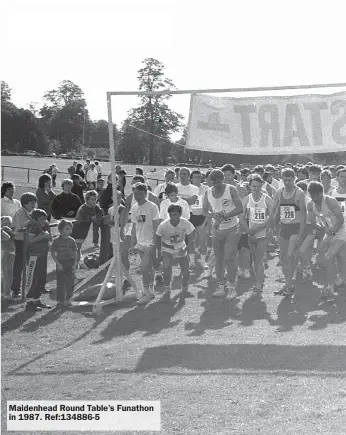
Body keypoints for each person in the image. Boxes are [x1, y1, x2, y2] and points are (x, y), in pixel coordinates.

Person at [202, 169, 243, 299]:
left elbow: (240, 208)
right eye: (213, 181)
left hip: (232, 228)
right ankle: (221, 286)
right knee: (219, 258)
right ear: (210, 181)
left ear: (222, 179)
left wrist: (224, 216)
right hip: (217, 228)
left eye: (218, 181)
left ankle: (232, 287)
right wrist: (213, 215)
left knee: (229, 257)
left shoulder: (231, 189)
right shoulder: (207, 192)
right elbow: (204, 210)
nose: (216, 184)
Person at [269, 168, 306, 297]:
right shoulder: (279, 192)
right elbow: (275, 210)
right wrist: (272, 224)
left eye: (290, 180)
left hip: (296, 227)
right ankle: (288, 283)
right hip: (283, 227)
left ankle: (289, 285)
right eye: (285, 180)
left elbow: (303, 214)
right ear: (282, 179)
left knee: (290, 255)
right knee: (283, 257)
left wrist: (301, 232)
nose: (287, 182)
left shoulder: (299, 193)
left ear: (294, 179)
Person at [307, 181, 346, 297]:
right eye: (311, 195)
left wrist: (333, 230)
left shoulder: (330, 201)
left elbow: (341, 220)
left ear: (321, 193)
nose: (314, 198)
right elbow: (312, 221)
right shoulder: (311, 204)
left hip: (341, 231)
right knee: (321, 260)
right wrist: (317, 227)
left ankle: (330, 287)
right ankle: (339, 278)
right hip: (329, 233)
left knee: (329, 257)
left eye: (316, 195)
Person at [241, 174, 274, 293]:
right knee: (255, 260)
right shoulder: (246, 200)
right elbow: (240, 216)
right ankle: (260, 278)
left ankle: (258, 284)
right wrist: (248, 230)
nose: (256, 189)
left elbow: (272, 217)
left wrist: (260, 227)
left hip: (263, 233)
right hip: (251, 233)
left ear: (261, 186)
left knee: (259, 259)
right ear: (249, 186)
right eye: (253, 186)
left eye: (258, 186)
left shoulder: (267, 199)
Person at [156, 204, 195, 299]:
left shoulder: (186, 223)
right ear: (168, 214)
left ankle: (184, 288)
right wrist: (159, 253)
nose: (174, 217)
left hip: (181, 247)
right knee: (167, 268)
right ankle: (167, 288)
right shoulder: (163, 225)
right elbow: (157, 240)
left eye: (176, 214)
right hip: (167, 248)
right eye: (172, 214)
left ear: (180, 214)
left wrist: (185, 249)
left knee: (186, 271)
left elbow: (192, 239)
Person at [130, 183, 160, 305]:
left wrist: (155, 242)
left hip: (150, 242)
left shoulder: (152, 207)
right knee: (149, 268)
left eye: (140, 193)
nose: (137, 196)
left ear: (145, 193)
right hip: (140, 241)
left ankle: (145, 291)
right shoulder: (134, 208)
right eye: (135, 194)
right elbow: (134, 227)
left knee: (143, 268)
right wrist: (133, 244)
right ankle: (150, 290)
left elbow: (156, 225)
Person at [222, 164, 251, 279]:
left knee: (243, 247)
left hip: (240, 221)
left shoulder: (241, 189)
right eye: (224, 175)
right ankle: (238, 268)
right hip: (227, 223)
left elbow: (243, 207)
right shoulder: (221, 189)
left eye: (228, 174)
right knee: (230, 248)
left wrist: (242, 221)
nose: (226, 177)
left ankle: (247, 268)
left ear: (234, 175)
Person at [25, 209, 52, 311]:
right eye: (41, 219)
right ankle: (29, 302)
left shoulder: (46, 224)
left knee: (41, 278)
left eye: (45, 218)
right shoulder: (32, 226)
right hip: (33, 256)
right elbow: (31, 240)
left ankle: (37, 300)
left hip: (43, 254)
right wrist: (42, 236)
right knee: (33, 278)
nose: (43, 221)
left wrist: (46, 235)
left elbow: (50, 238)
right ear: (35, 219)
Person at [11, 192, 38, 298]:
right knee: (19, 265)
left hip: (31, 241)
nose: (34, 206)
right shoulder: (20, 213)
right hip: (21, 241)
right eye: (31, 203)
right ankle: (16, 290)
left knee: (33, 263)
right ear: (24, 204)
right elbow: (19, 227)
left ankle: (35, 287)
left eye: (35, 203)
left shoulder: (34, 212)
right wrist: (31, 224)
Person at [71, 190, 104, 265]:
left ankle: (76, 263)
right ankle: (75, 264)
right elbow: (81, 218)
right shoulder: (83, 208)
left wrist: (99, 214)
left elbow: (100, 212)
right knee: (77, 248)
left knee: (77, 248)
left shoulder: (94, 206)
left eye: (95, 199)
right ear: (87, 200)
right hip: (77, 229)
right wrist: (91, 218)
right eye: (92, 199)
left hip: (84, 231)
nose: (94, 201)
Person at [51, 220, 78, 308]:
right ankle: (60, 301)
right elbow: (53, 253)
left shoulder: (72, 240)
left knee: (70, 282)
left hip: (70, 262)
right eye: (67, 229)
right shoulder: (56, 241)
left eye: (70, 229)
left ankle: (68, 299)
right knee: (61, 283)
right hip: (61, 263)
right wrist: (58, 264)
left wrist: (75, 264)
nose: (69, 231)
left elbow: (75, 252)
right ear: (60, 230)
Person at [190, 170, 209, 269]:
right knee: (191, 240)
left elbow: (209, 204)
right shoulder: (188, 188)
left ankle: (203, 261)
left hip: (202, 216)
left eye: (199, 177)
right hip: (190, 216)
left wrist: (207, 219)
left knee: (202, 240)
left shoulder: (206, 189)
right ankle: (191, 261)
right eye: (195, 177)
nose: (197, 179)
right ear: (191, 178)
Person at [1, 216, 15, 299]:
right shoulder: (3, 231)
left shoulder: (10, 229)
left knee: (7, 274)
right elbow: (12, 236)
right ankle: (6, 293)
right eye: (5, 223)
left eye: (9, 223)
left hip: (11, 253)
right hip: (7, 254)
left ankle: (3, 292)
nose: (7, 225)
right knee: (8, 275)